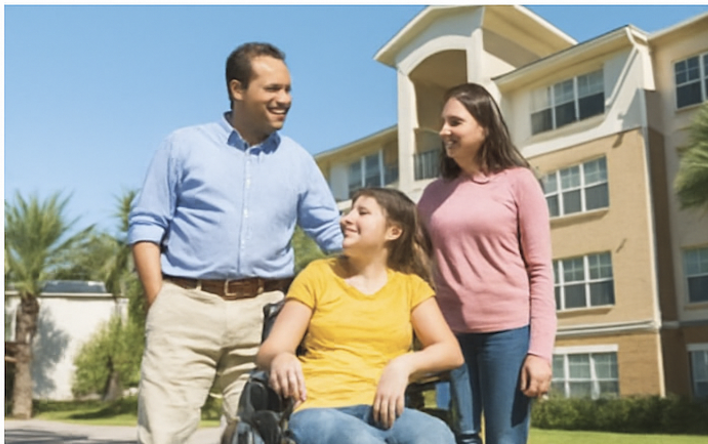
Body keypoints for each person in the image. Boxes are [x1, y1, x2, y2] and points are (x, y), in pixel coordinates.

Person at [128, 42, 344, 444]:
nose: (285, 100)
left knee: (257, 433)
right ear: (237, 89)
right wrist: (160, 299)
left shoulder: (298, 161)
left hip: (265, 317)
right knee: (164, 433)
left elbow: (333, 235)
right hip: (185, 307)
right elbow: (146, 225)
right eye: (273, 89)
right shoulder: (183, 145)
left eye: (288, 90)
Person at [257, 187, 464, 444]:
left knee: (436, 434)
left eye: (362, 212)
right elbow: (271, 350)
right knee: (359, 440)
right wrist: (282, 357)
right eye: (348, 212)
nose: (345, 219)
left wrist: (403, 364)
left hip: (386, 409)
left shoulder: (411, 287)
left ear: (393, 232)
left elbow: (450, 351)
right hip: (321, 408)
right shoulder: (318, 274)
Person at [416, 83, 556, 444]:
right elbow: (415, 264)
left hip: (507, 334)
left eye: (455, 122)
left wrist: (540, 352)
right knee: (460, 437)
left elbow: (539, 270)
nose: (444, 130)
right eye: (443, 122)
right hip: (450, 336)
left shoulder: (518, 182)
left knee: (504, 439)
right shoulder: (433, 194)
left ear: (485, 127)